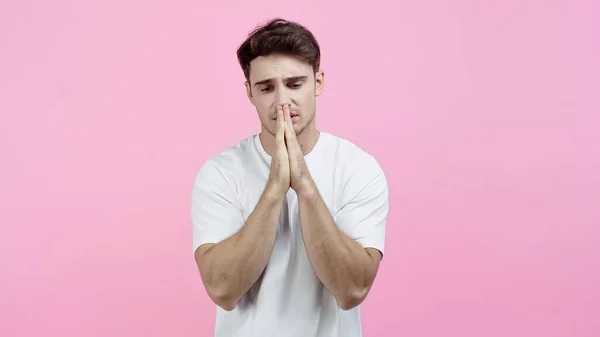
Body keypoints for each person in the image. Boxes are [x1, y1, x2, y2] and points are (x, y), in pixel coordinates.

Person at [191, 18, 389, 337]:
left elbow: (352, 289)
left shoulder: (358, 169)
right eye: (267, 88)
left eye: (295, 84)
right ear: (250, 93)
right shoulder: (220, 173)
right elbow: (222, 291)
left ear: (319, 82)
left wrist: (306, 188)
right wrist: (274, 190)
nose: (282, 100)